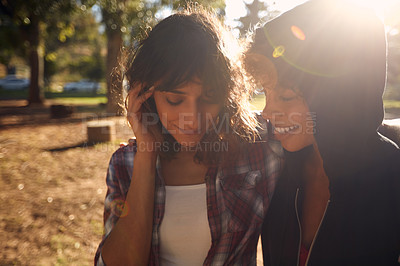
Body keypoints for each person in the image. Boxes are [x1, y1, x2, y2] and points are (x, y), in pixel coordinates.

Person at [94, 6, 283, 266]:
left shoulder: (260, 146)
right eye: (174, 99)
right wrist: (147, 157)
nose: (192, 117)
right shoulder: (124, 164)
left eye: (210, 97)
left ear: (227, 95)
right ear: (146, 96)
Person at [245, 0, 400, 265]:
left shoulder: (390, 174)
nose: (267, 113)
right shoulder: (277, 166)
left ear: (336, 96)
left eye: (285, 96)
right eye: (265, 95)